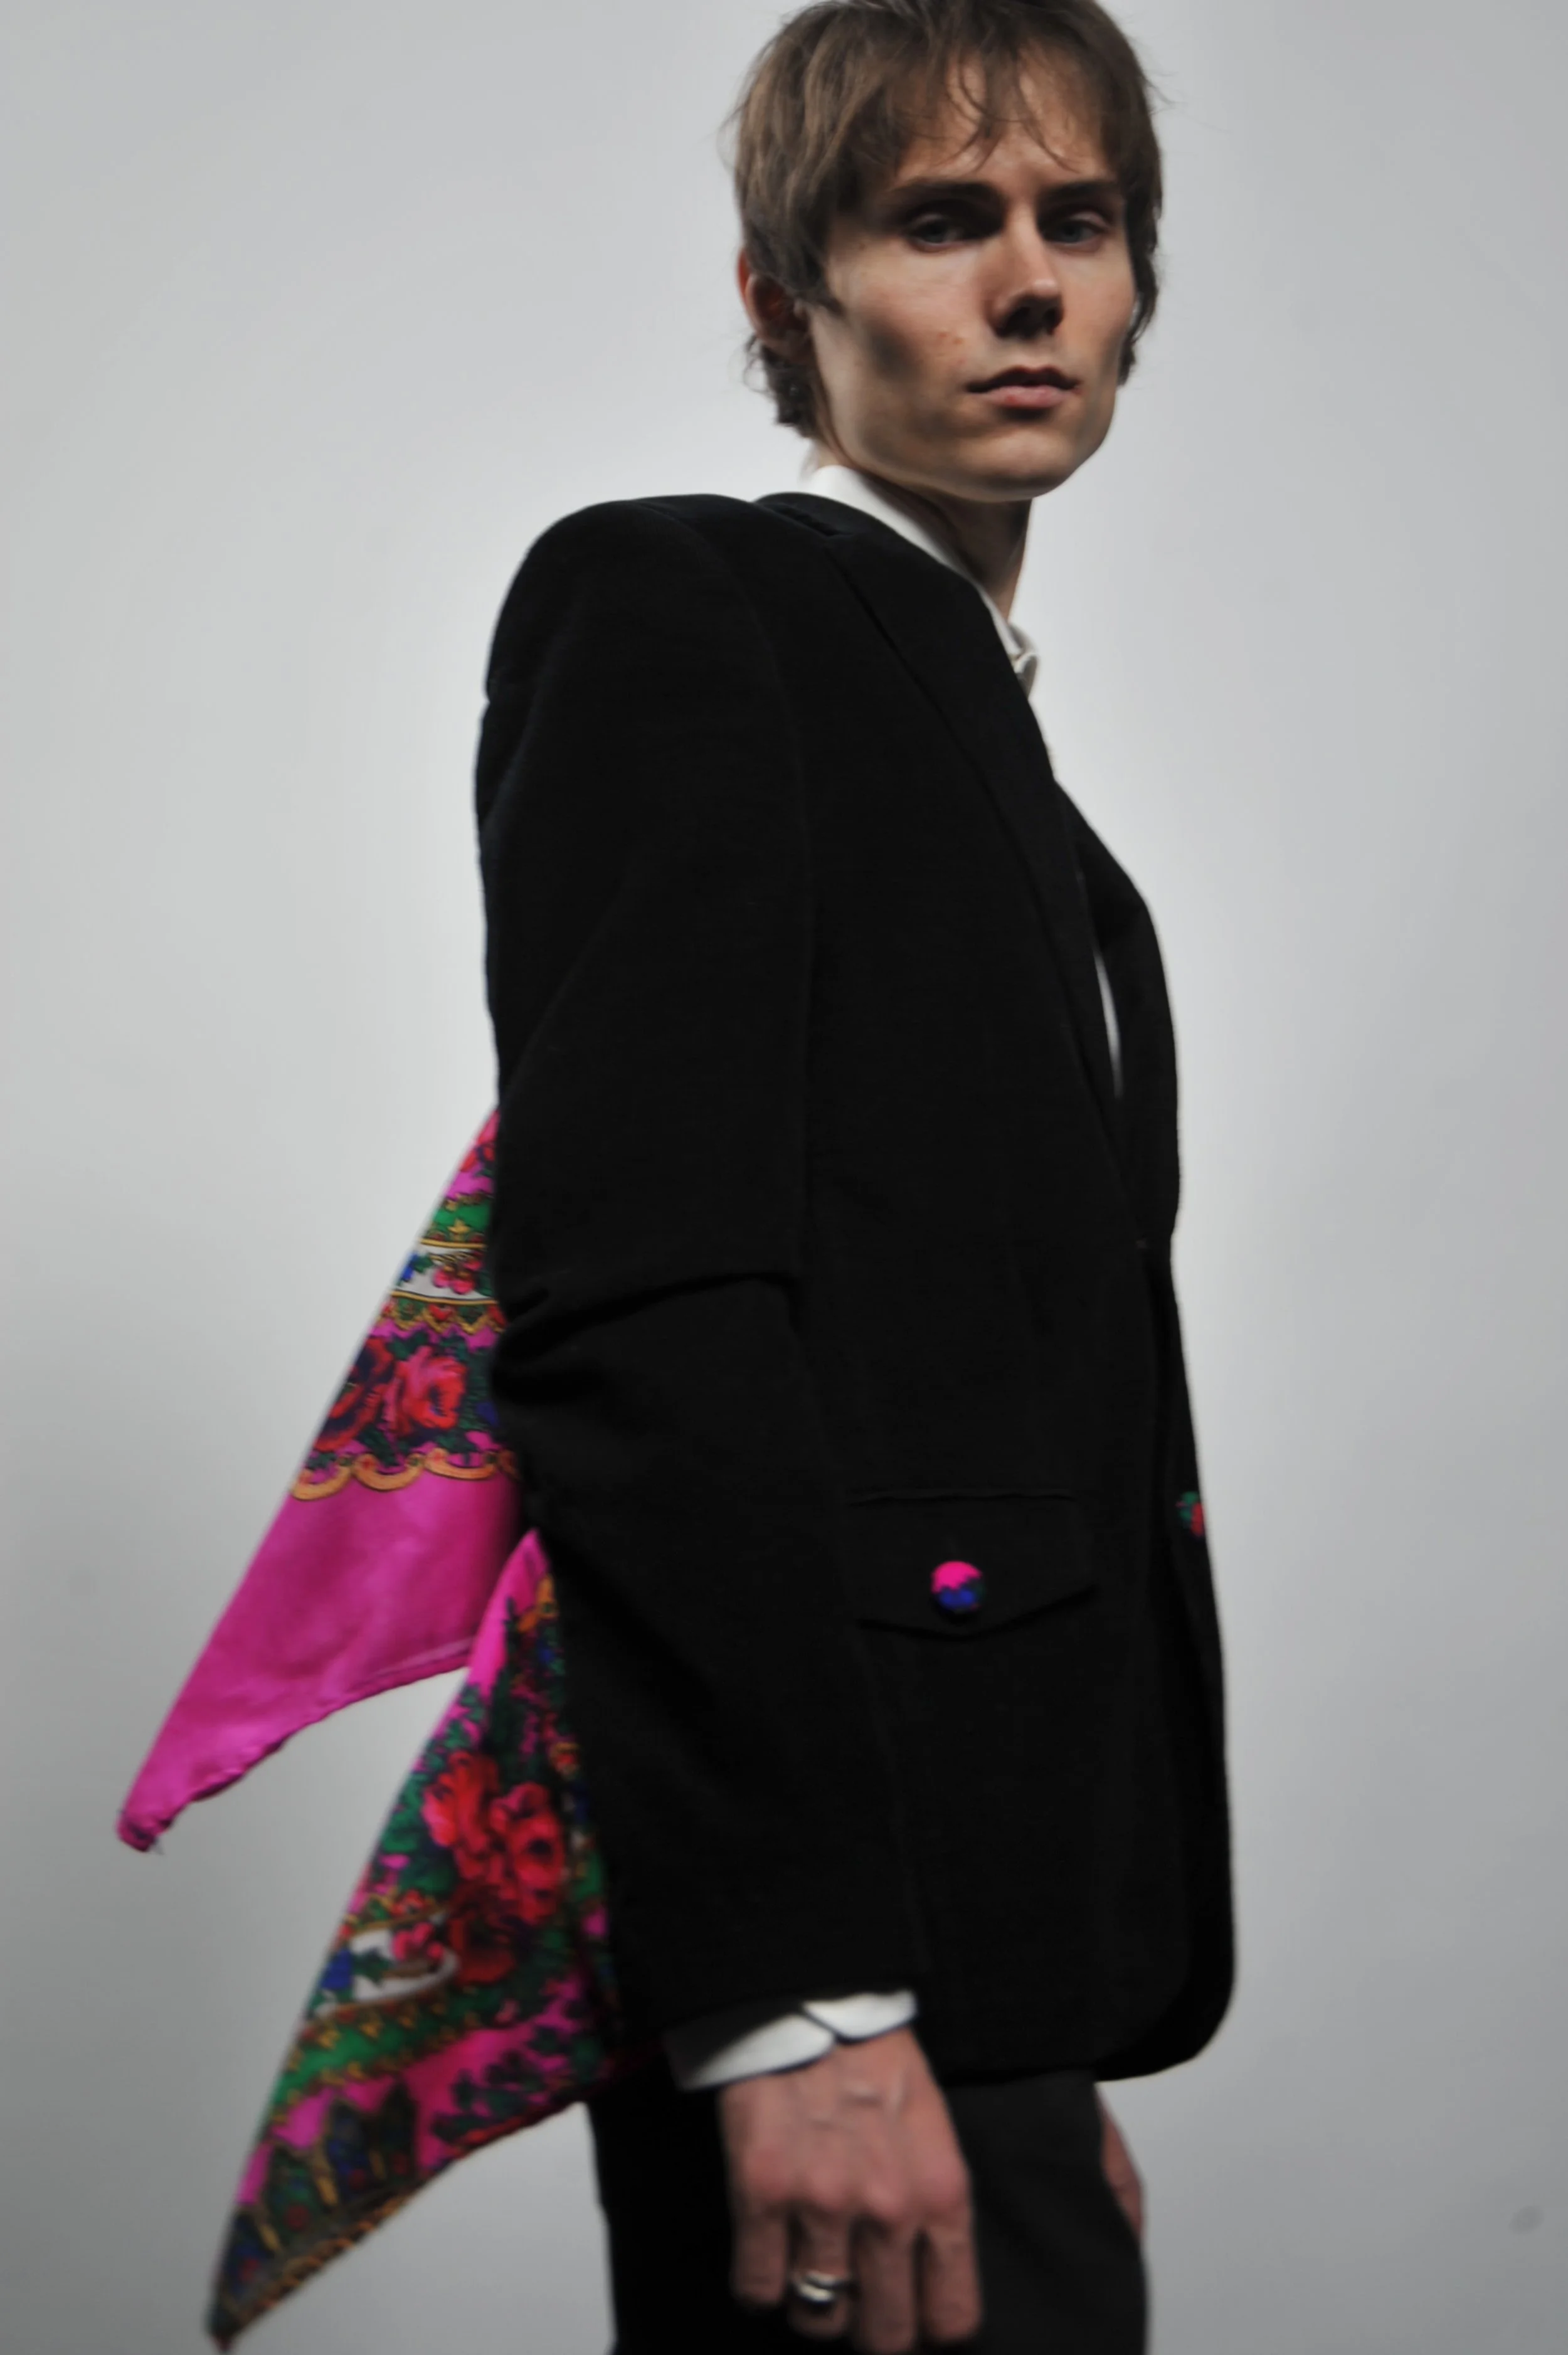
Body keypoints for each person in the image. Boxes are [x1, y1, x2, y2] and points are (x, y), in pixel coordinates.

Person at [475, 3, 1232, 2347]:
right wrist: (808, 2013)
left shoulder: (992, 751)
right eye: (938, 219)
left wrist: (1029, 2013)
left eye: (1073, 221)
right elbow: (648, 1318)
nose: (1025, 282)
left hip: (973, 1990)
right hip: (825, 1983)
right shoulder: (690, 604)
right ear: (774, 293)